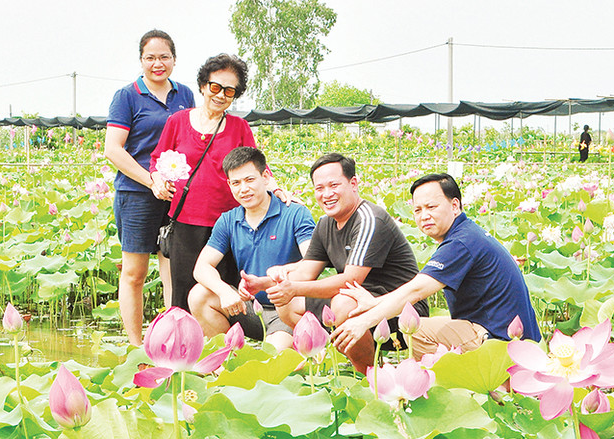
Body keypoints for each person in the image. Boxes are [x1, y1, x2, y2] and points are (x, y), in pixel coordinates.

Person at [241, 153, 428, 372]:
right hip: (358, 303)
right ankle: (329, 353)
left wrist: (293, 288)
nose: (326, 194)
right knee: (288, 303)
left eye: (334, 185)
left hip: (399, 309)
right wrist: (262, 283)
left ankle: (370, 375)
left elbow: (350, 281)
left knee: (342, 303)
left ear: (353, 183)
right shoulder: (325, 223)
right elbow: (304, 273)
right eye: (319, 188)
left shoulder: (369, 219)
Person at [333, 173, 541, 360]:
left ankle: (472, 384)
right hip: (511, 339)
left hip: (502, 343)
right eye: (418, 210)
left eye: (431, 207)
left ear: (454, 206)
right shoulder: (466, 233)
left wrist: (363, 322)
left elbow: (417, 290)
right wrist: (375, 302)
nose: (424, 216)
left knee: (414, 331)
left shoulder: (461, 243)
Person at [149, 53, 289, 311]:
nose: (220, 94)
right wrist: (157, 181)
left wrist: (276, 188)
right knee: (183, 295)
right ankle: (184, 349)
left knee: (226, 295)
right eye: (215, 87)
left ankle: (226, 348)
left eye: (229, 90)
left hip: (228, 225)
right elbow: (158, 160)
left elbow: (257, 165)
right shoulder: (177, 122)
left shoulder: (239, 127)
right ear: (203, 86)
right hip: (185, 222)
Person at [104, 30, 195, 345]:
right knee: (135, 273)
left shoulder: (185, 95)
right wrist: (151, 179)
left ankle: (174, 344)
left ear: (174, 59)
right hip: (137, 194)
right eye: (150, 58)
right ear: (141, 60)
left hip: (176, 197)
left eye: (164, 57)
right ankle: (135, 346)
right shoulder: (127, 96)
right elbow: (113, 149)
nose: (158, 63)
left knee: (175, 271)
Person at [188, 147, 315, 352]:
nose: (243, 189)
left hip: (286, 308)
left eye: (249, 180)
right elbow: (202, 267)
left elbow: (312, 262)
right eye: (236, 183)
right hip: (248, 307)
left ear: (265, 177)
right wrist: (224, 292)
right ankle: (225, 362)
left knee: (270, 362)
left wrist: (281, 274)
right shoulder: (229, 220)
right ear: (229, 185)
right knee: (199, 295)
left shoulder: (295, 213)